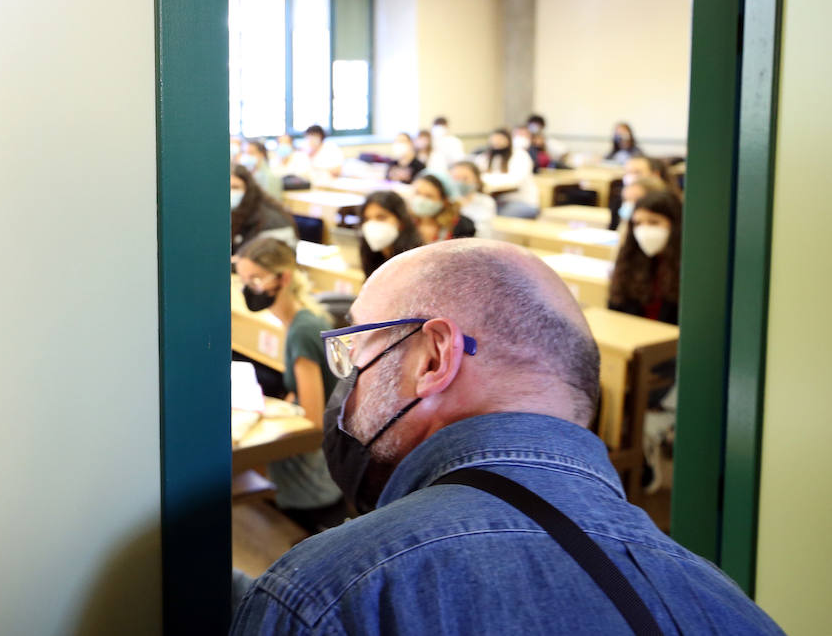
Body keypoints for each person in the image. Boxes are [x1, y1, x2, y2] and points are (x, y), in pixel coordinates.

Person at [231, 239, 781, 635]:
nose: (346, 383)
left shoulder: (332, 592)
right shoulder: (732, 606)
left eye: (356, 351)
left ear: (433, 359)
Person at [233, 237, 346, 533]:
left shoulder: (301, 331)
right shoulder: (302, 320)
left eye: (255, 279)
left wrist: (267, 411)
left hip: (314, 476)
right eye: (244, 279)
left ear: (283, 278)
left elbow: (311, 419)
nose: (249, 288)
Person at [609, 190, 682, 325]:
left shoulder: (685, 267)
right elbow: (616, 307)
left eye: (654, 222)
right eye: (638, 223)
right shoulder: (630, 260)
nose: (644, 230)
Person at [475, 128, 540, 218]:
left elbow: (514, 180)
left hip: (519, 201)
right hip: (495, 200)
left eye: (500, 139)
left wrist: (487, 178)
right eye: (494, 140)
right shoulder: (485, 157)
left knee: (495, 217)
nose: (496, 143)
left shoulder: (520, 155)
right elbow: (476, 175)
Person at [231, 165, 295, 253]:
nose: (230, 193)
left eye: (235, 187)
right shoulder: (235, 213)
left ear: (248, 188)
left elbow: (268, 262)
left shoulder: (272, 220)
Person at [356, 191, 421, 278]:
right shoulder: (370, 255)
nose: (372, 224)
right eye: (367, 219)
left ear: (401, 220)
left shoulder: (416, 259)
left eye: (381, 217)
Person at [409, 174, 475, 244]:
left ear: (445, 200)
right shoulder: (405, 221)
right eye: (417, 193)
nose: (421, 200)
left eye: (429, 196)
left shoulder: (462, 226)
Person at [449, 160, 496, 238]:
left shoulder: (486, 202)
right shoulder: (448, 201)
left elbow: (483, 233)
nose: (460, 182)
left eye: (465, 178)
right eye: (456, 178)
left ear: (476, 179)